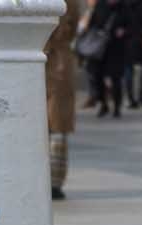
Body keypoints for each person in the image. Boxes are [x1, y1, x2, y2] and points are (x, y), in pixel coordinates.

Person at [45, 0, 84, 200]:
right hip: (61, 61)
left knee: (38, 126)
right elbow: (74, 26)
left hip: (37, 57)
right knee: (58, 127)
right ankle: (55, 182)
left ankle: (44, 180)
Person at [82, 0, 132, 118]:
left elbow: (132, 26)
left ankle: (116, 107)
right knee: (97, 76)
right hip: (99, 49)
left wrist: (124, 31)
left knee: (116, 79)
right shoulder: (100, 5)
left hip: (117, 49)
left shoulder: (124, 7)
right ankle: (103, 104)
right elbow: (92, 24)